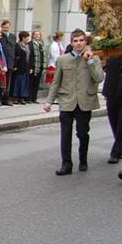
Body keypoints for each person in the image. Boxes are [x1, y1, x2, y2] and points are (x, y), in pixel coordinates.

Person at [44, 29, 105, 175]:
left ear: (85, 42)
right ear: (71, 43)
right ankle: (66, 164)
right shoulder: (63, 59)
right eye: (75, 41)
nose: (78, 43)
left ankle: (83, 159)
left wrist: (89, 61)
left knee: (82, 133)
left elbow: (99, 78)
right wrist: (49, 102)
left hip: (84, 102)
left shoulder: (94, 59)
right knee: (65, 134)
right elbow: (56, 82)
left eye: (81, 40)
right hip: (66, 101)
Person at [102, 53, 122, 164]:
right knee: (114, 122)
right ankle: (121, 147)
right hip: (111, 92)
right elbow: (104, 67)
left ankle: (115, 152)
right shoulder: (111, 54)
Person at [0, 20, 16, 105]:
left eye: (7, 27)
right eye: (4, 27)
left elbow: (14, 49)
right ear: (2, 27)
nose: (6, 29)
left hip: (10, 61)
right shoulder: (0, 36)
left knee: (8, 82)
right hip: (2, 62)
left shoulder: (13, 36)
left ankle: (6, 98)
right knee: (0, 81)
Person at [10, 31, 30, 105]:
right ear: (22, 38)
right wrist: (15, 66)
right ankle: (15, 97)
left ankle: (22, 97)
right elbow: (16, 56)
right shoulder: (17, 45)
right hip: (19, 66)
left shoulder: (27, 46)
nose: (27, 39)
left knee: (24, 83)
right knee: (18, 82)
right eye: (26, 37)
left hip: (25, 67)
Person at [28, 29, 46, 103]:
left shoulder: (41, 45)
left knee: (36, 84)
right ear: (33, 35)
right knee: (31, 83)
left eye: (38, 34)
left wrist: (44, 66)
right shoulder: (30, 44)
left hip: (39, 67)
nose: (37, 36)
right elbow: (30, 57)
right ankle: (29, 98)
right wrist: (30, 67)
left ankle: (34, 98)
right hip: (33, 67)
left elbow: (43, 56)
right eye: (35, 34)